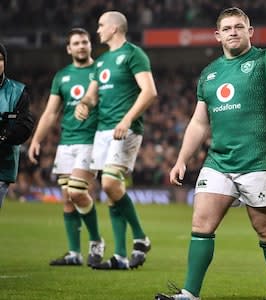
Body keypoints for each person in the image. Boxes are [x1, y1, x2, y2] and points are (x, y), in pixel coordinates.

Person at [156, 2, 266, 300]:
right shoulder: (210, 73)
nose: (233, 32)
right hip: (218, 161)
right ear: (217, 35)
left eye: (239, 27)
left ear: (250, 31)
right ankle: (190, 294)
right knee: (201, 224)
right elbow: (199, 122)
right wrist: (181, 159)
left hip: (258, 162)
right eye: (226, 28)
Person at [75, 11, 157, 270]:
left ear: (114, 28)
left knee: (110, 183)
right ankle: (121, 255)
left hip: (125, 130)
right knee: (111, 193)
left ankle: (141, 237)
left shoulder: (134, 54)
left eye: (100, 25)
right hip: (102, 131)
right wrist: (84, 104)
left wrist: (127, 119)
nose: (97, 30)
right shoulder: (100, 62)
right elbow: (92, 96)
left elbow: (149, 91)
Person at [27, 28, 105, 267]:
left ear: (90, 45)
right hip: (66, 143)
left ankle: (96, 241)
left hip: (91, 141)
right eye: (76, 43)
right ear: (69, 49)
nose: (81, 46)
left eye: (85, 42)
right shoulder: (62, 76)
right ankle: (74, 253)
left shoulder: (101, 71)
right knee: (68, 199)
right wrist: (36, 140)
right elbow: (51, 113)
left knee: (77, 192)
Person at [0, 43, 34, 209]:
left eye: (0, 59)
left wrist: (4, 136)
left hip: (2, 164)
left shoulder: (17, 92)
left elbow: (25, 125)